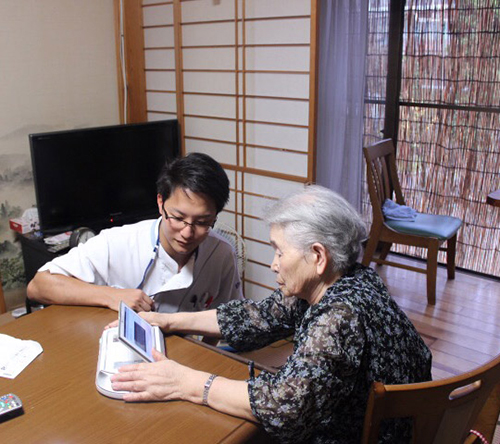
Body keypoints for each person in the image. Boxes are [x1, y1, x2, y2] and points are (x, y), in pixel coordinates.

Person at [107, 185, 432, 444]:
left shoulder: (339, 315)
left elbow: (285, 407)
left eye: (279, 251)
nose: (273, 263)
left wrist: (185, 382)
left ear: (318, 256)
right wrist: (166, 321)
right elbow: (256, 316)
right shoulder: (349, 278)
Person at [27, 152, 243, 315]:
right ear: (160, 202)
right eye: (178, 218)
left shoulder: (221, 252)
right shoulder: (117, 242)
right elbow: (38, 286)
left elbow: (225, 318)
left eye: (203, 222)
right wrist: (112, 296)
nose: (187, 232)